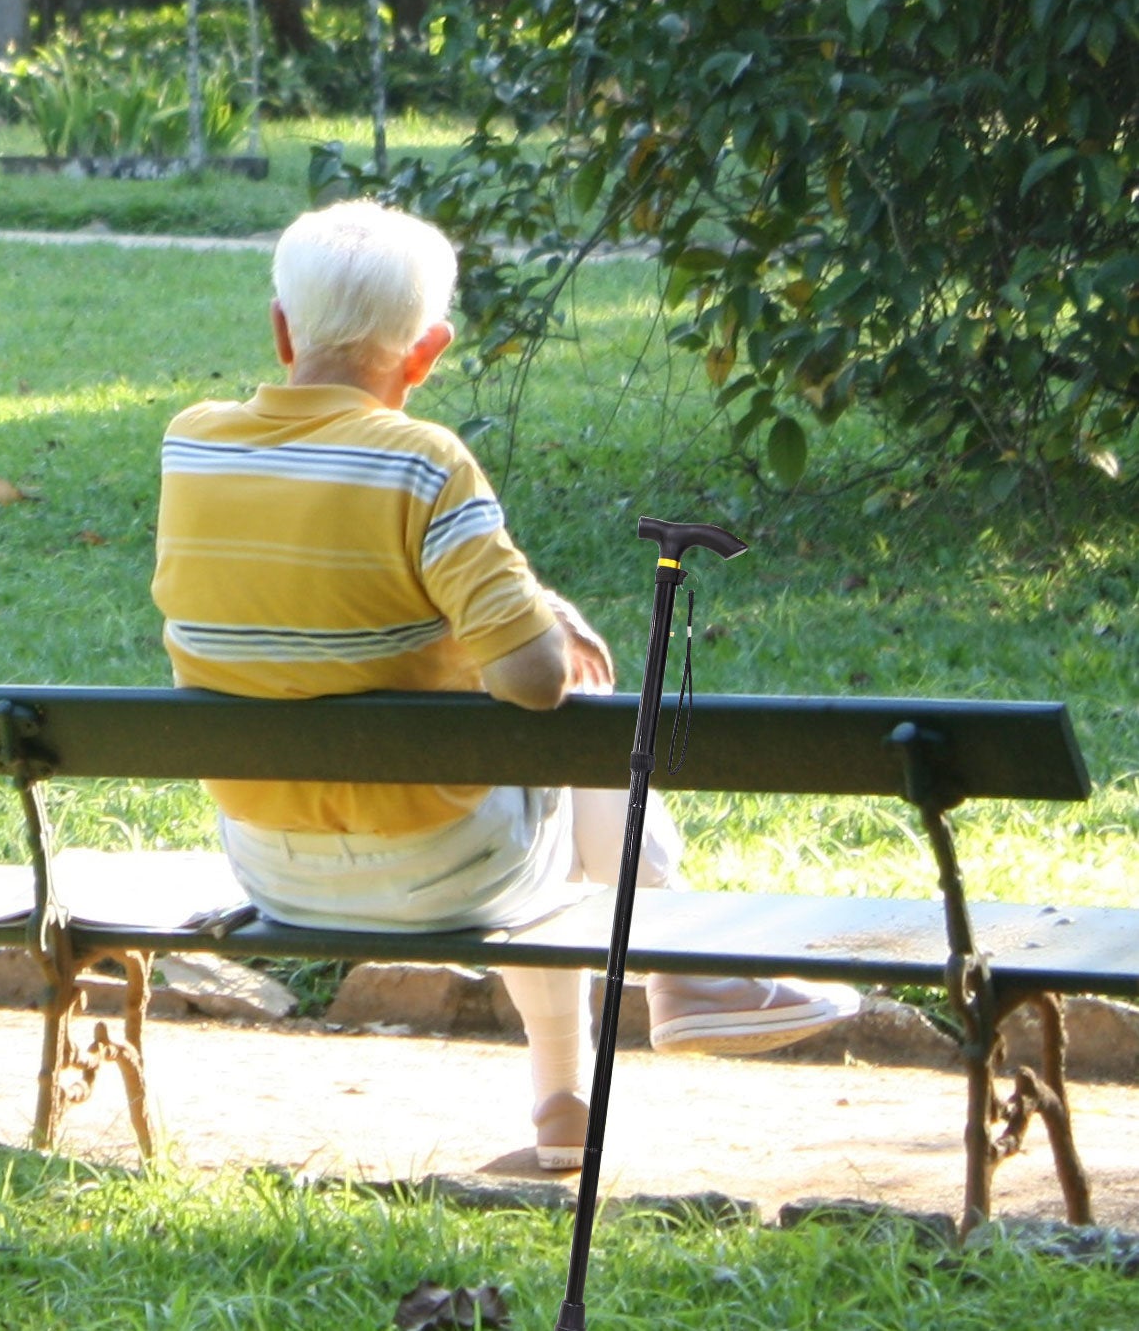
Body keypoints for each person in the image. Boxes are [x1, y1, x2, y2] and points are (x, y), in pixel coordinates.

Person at [151, 200, 858, 1169]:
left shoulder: (192, 444)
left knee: (537, 794)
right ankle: (681, 976)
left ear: (281, 329)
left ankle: (567, 1101)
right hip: (446, 868)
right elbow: (532, 682)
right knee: (581, 731)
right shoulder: (424, 460)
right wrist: (548, 620)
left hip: (271, 868)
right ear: (427, 352)